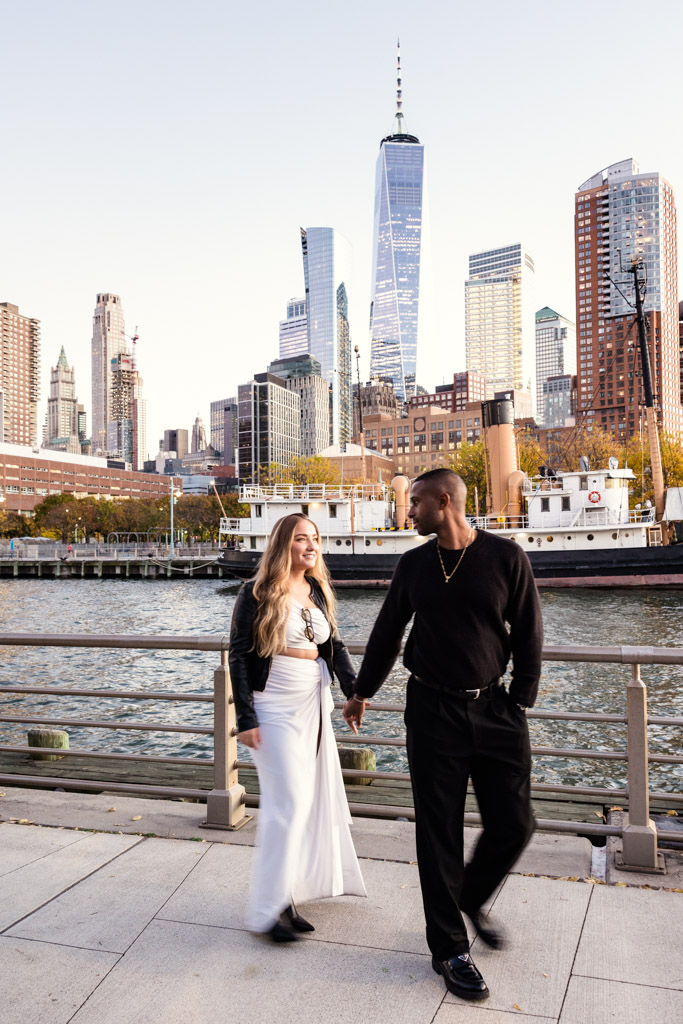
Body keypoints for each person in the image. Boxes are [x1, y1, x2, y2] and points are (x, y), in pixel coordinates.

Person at [343, 469, 543, 1001]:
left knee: (517, 822)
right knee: (438, 834)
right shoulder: (413, 565)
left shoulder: (506, 558)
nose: (408, 512)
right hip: (431, 710)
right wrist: (362, 691)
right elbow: (388, 633)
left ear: (443, 500)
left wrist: (520, 699)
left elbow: (528, 632)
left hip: (496, 710)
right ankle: (450, 949)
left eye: (414, 503)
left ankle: (471, 896)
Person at [229, 512, 366, 942]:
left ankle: (287, 894)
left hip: (313, 705)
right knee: (287, 801)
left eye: (316, 539)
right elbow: (237, 653)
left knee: (303, 802)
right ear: (282, 545)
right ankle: (265, 911)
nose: (311, 546)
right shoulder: (257, 592)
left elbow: (332, 645)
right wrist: (245, 718)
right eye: (301, 539)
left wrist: (353, 692)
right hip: (273, 705)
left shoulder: (317, 590)